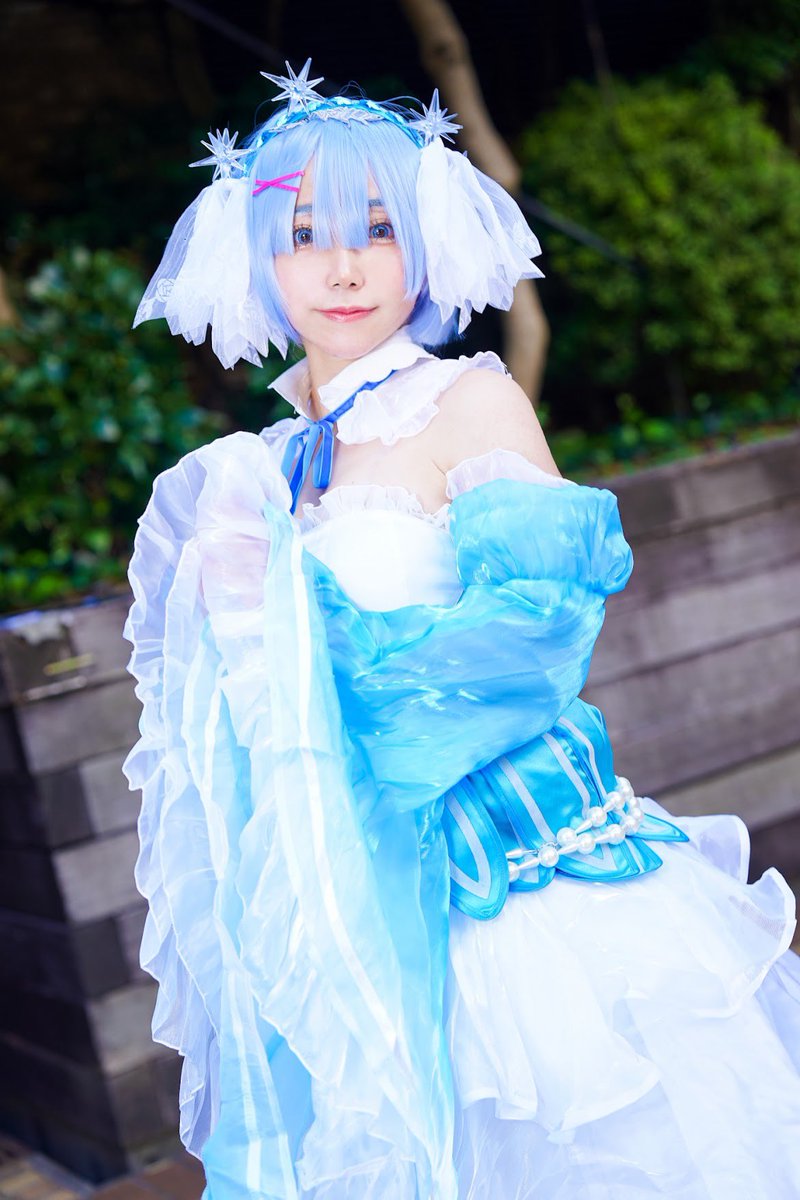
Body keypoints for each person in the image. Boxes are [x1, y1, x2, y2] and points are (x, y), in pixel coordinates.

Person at [123, 61, 800, 1200]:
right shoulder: (263, 467)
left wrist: (307, 633)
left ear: (426, 243)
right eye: (304, 234)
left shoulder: (469, 403)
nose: (342, 267)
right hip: (353, 908)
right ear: (258, 258)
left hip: (514, 878)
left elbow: (537, 633)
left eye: (378, 230)